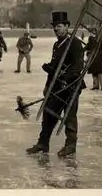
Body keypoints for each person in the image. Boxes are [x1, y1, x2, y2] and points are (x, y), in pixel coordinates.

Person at [26, 11, 85, 157]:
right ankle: (43, 143)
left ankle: (71, 145)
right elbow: (55, 66)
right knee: (48, 113)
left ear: (66, 26)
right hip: (57, 86)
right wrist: (48, 84)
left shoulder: (75, 43)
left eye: (59, 26)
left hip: (71, 86)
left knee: (69, 117)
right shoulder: (57, 44)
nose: (56, 29)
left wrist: (66, 78)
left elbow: (78, 66)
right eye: (54, 26)